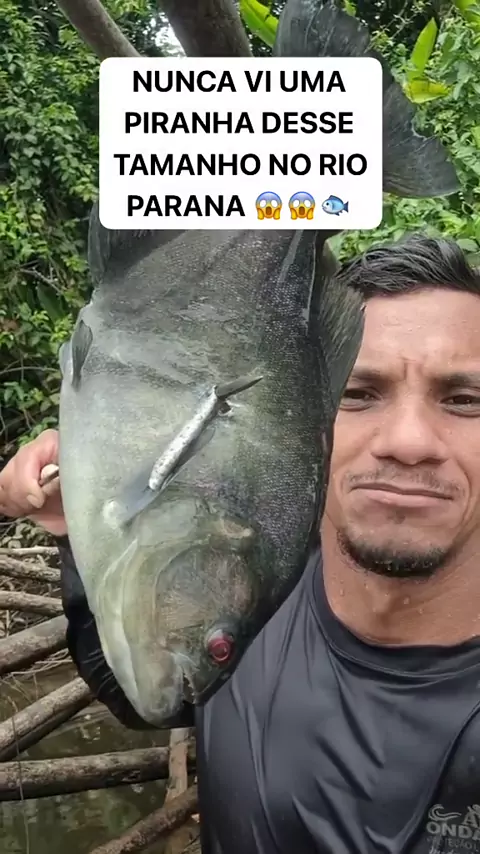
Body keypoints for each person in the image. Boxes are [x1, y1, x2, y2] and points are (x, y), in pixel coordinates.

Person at [3, 233, 480, 854]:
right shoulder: (250, 599)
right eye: (357, 394)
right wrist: (81, 526)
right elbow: (146, 695)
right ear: (300, 420)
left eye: (465, 400)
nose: (408, 442)